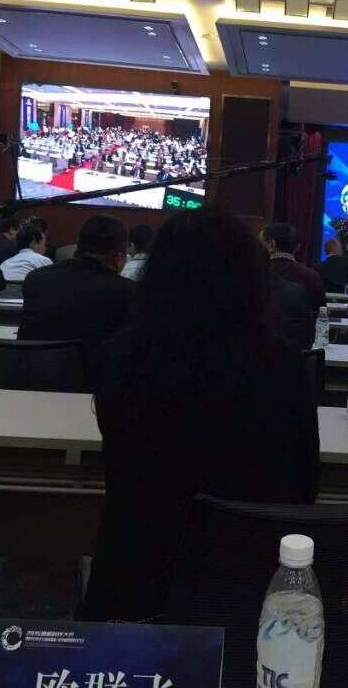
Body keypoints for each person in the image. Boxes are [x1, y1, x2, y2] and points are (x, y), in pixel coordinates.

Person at [81, 205, 319, 621]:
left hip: (134, 584)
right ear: (251, 280)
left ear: (155, 274)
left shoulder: (119, 359)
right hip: (251, 591)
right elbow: (305, 483)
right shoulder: (283, 365)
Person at [18, 215, 135, 343]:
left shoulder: (35, 278)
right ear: (120, 257)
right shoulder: (129, 292)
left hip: (34, 356)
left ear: (78, 243)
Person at [260, 222, 325, 312]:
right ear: (297, 247)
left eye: (260, 242)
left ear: (272, 245)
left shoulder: (254, 274)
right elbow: (320, 314)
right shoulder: (312, 276)